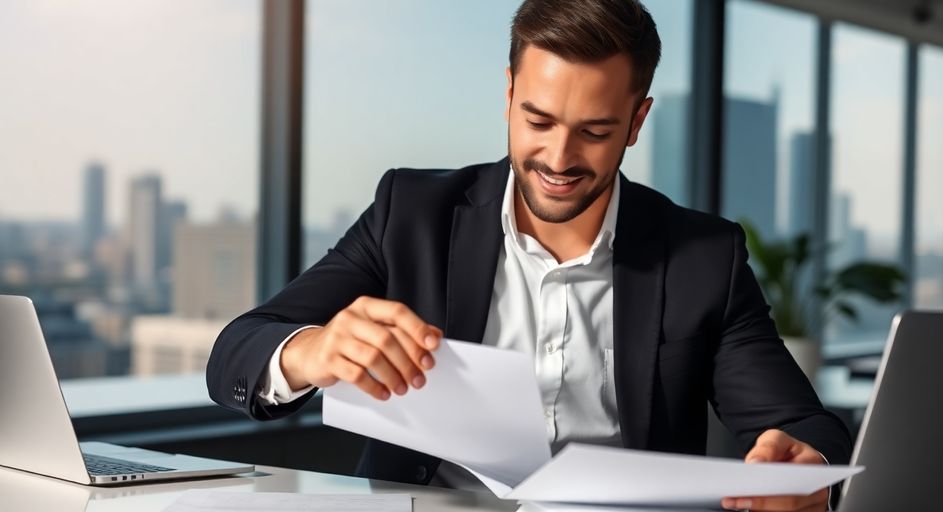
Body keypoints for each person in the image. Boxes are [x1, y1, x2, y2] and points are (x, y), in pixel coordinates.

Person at [207, 1, 852, 510]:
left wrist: (802, 468)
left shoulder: (701, 258)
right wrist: (310, 350)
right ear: (509, 92)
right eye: (538, 121)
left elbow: (802, 424)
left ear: (636, 121)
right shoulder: (414, 213)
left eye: (595, 132)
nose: (559, 159)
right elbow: (236, 351)